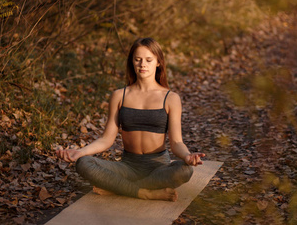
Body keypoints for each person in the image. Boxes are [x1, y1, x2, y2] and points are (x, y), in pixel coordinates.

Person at [56, 37, 205, 201]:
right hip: (128, 167)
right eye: (138, 59)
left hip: (158, 167)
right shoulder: (119, 95)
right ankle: (145, 192)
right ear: (132, 62)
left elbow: (176, 142)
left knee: (185, 170)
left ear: (158, 62)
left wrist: (187, 156)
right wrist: (79, 152)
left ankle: (119, 187)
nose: (143, 64)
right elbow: (106, 139)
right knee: (83, 163)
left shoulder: (171, 98)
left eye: (148, 60)